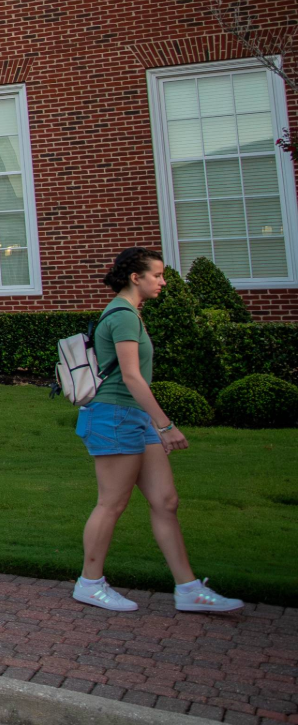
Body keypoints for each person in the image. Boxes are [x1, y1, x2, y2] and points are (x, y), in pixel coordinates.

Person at [74, 247, 242, 613]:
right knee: (112, 503)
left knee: (166, 501)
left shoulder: (130, 313)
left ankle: (189, 589)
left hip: (133, 417)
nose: (163, 281)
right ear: (136, 277)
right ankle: (89, 583)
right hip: (114, 416)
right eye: (158, 275)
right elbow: (132, 377)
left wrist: (151, 423)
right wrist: (165, 425)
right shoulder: (123, 316)